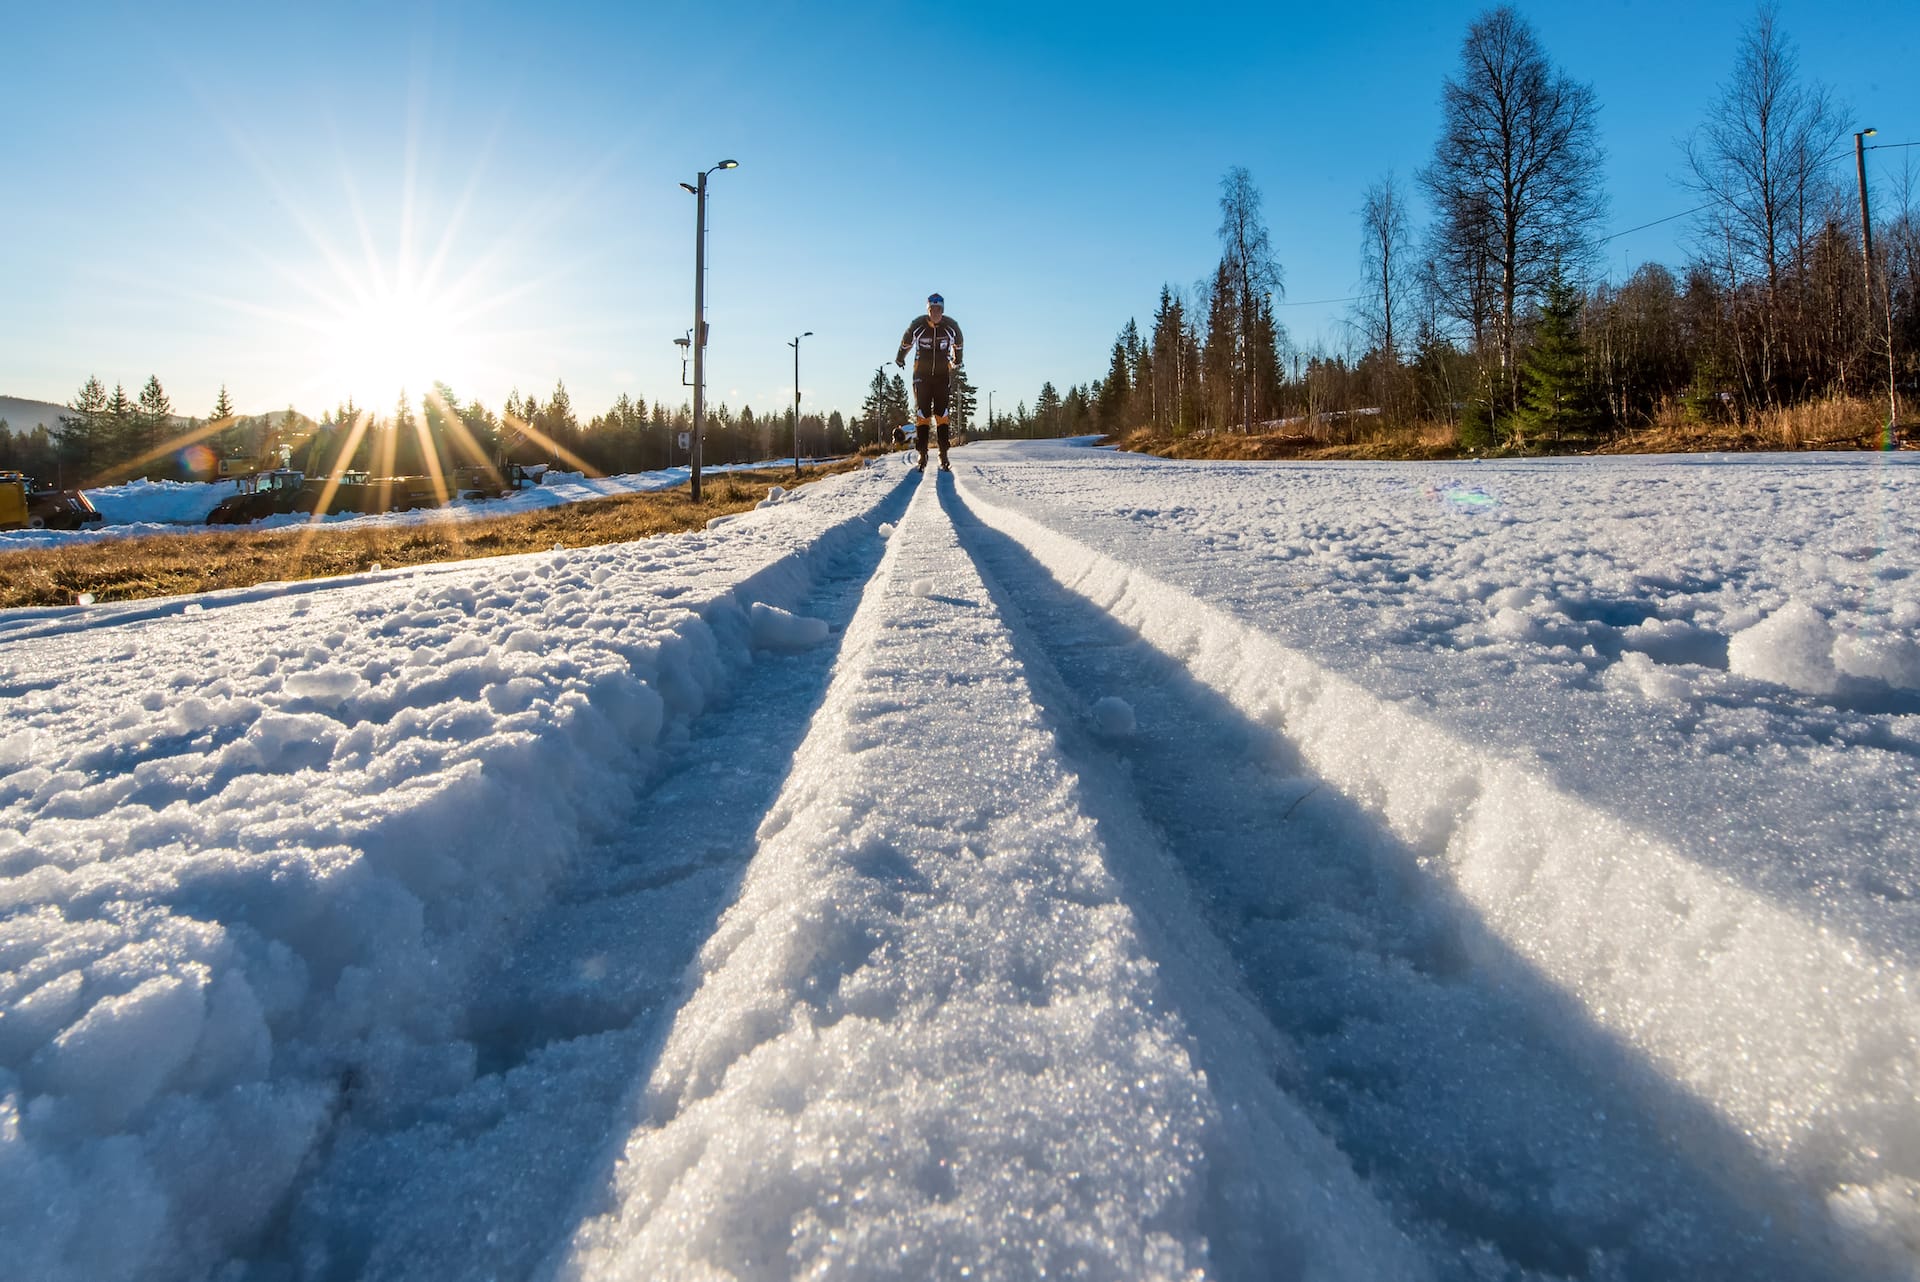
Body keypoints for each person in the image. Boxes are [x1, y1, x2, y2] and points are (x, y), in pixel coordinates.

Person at [895, 293, 964, 472]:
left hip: (942, 375)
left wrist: (957, 360)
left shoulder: (951, 327)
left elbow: (958, 344)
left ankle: (943, 453)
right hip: (922, 375)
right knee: (923, 413)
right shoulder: (918, 325)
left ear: (943, 310)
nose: (936, 313)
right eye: (932, 310)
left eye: (939, 310)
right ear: (928, 310)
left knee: (942, 414)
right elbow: (906, 342)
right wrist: (900, 358)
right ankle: (922, 453)